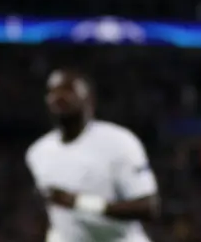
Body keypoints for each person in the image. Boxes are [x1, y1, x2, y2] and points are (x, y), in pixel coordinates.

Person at [24, 69, 160, 242]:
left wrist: (79, 203)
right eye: (53, 91)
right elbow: (55, 214)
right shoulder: (38, 152)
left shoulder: (119, 141)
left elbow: (148, 208)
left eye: (68, 90)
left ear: (89, 100)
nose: (59, 96)